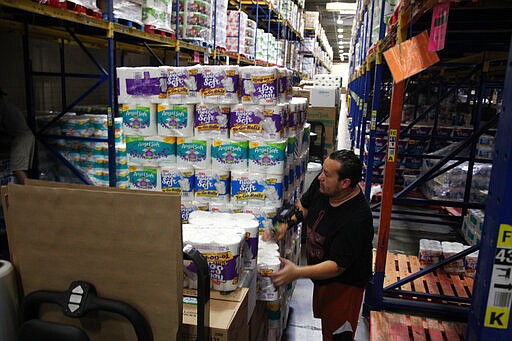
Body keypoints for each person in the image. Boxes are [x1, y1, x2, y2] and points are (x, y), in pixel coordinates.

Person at [264, 149, 374, 341]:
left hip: (344, 286)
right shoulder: (325, 185)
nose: (320, 177)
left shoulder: (357, 219)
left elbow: (337, 267)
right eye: (322, 170)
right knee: (326, 326)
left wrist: (297, 272)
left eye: (327, 174)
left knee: (338, 334)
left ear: (345, 183)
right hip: (324, 278)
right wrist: (283, 225)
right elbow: (304, 205)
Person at [0, 88, 35, 185]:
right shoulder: (6, 104)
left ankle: (29, 193)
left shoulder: (2, 106)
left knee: (18, 169)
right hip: (21, 138)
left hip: (22, 139)